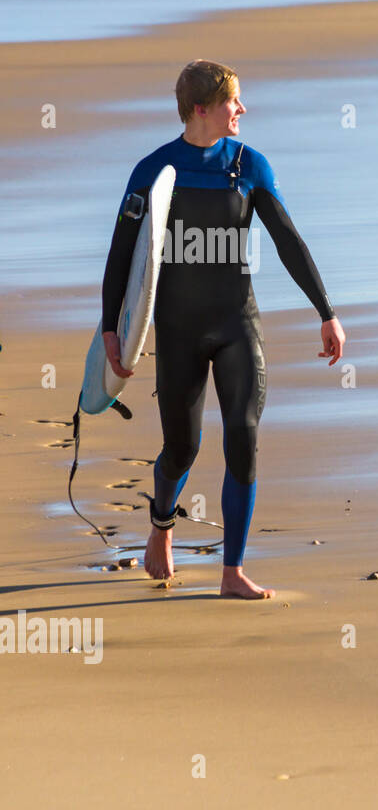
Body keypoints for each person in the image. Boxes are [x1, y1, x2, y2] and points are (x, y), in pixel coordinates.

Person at [100, 59, 345, 599]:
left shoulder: (250, 165)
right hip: (178, 329)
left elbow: (286, 238)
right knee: (182, 448)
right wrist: (112, 331)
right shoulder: (153, 171)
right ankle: (161, 526)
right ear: (203, 108)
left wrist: (325, 311)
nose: (243, 109)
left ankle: (232, 571)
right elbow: (122, 258)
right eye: (234, 101)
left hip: (238, 323)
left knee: (244, 435)